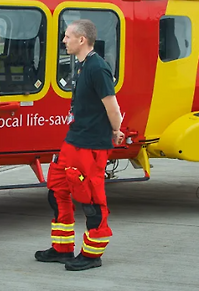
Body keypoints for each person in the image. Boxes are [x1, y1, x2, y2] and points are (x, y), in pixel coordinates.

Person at [35, 19, 124, 271]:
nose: (64, 40)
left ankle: (92, 255)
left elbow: (112, 106)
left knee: (91, 201)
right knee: (57, 191)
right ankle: (62, 249)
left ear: (82, 39)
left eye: (67, 36)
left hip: (91, 146)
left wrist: (116, 130)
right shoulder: (82, 66)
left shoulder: (98, 68)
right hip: (73, 141)